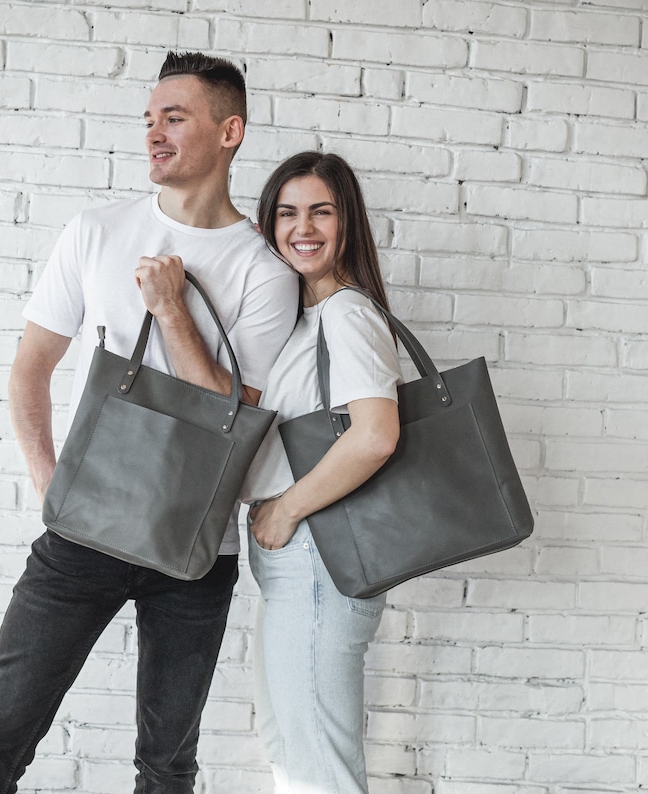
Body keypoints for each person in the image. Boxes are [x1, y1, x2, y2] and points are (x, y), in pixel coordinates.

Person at [0, 51, 298, 794]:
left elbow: (236, 425)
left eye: (175, 118)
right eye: (149, 120)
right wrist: (54, 488)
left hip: (193, 553)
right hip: (82, 533)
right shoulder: (96, 231)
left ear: (230, 130)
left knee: (167, 769)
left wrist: (171, 309)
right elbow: (29, 370)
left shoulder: (263, 271)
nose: (153, 134)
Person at [241, 151, 403, 793]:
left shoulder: (346, 313)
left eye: (320, 211)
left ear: (347, 223)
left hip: (317, 560)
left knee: (320, 771)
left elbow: (376, 435)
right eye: (286, 212)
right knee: (291, 750)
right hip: (301, 566)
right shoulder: (307, 316)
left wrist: (284, 509)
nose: (301, 228)